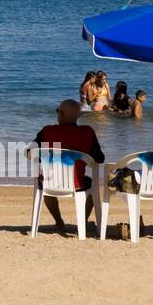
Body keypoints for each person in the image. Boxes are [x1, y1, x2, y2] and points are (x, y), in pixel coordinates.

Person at [33, 99, 105, 234]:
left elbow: (29, 152)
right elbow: (100, 158)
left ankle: (59, 222)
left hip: (51, 182)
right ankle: (82, 222)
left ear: (60, 113)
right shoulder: (87, 132)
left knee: (44, 181)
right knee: (92, 185)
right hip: (78, 183)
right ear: (78, 116)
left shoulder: (47, 131)